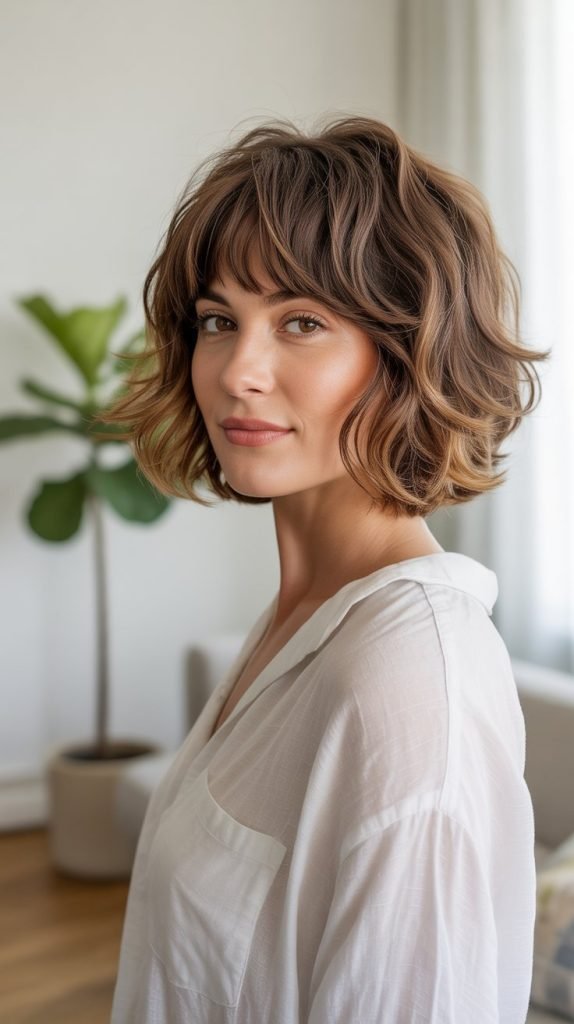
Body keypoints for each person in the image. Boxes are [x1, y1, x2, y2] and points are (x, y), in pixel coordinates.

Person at [102, 115, 549, 1023]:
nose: (237, 371)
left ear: (407, 352)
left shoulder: (411, 678)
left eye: (302, 322)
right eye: (219, 321)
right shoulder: (303, 621)